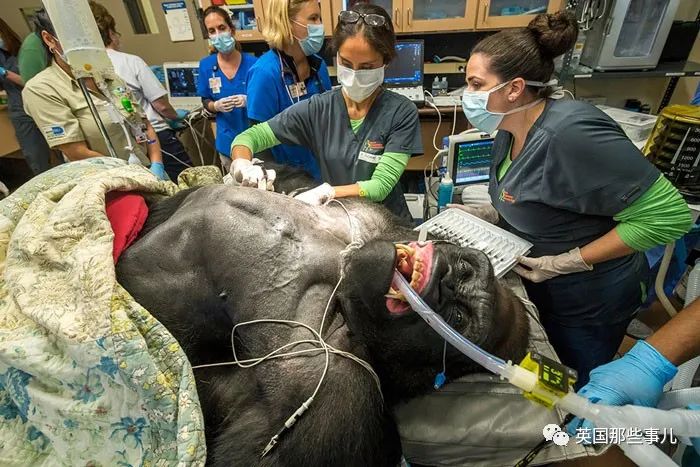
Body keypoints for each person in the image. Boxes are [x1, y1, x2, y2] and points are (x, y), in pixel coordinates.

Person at [448, 11, 692, 389]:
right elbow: (535, 196)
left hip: (589, 301)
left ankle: (574, 435)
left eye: (476, 84)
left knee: (576, 379)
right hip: (543, 286)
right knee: (546, 376)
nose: (467, 96)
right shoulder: (507, 129)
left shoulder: (571, 134)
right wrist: (490, 213)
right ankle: (550, 415)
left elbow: (669, 217)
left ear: (513, 88)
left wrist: (568, 261)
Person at [230, 4, 422, 223]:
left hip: (388, 222)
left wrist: (327, 193)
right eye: (347, 64)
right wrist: (243, 164)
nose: (355, 74)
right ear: (336, 58)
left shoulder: (401, 112)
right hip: (340, 220)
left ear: (385, 62)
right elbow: (248, 137)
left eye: (367, 67)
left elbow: (379, 187)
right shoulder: (318, 109)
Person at [21, 9, 166, 180]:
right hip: (107, 181)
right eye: (75, 36)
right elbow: (76, 151)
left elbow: (145, 125)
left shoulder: (108, 76)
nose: (85, 42)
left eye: (89, 34)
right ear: (49, 39)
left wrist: (157, 164)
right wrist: (134, 175)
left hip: (149, 170)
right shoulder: (42, 89)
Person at [91, 2, 193, 181]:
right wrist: (176, 117)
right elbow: (161, 106)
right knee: (188, 181)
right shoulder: (130, 62)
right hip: (153, 136)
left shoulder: (83, 68)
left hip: (122, 144)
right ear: (110, 32)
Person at [244, 0, 332, 180]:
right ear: (287, 23)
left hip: (322, 169)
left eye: (320, 18)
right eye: (313, 19)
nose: (319, 26)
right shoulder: (265, 73)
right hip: (287, 177)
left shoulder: (318, 65)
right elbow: (259, 148)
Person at [196, 6, 257, 173]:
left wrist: (249, 100)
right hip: (227, 142)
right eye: (212, 30)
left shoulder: (254, 64)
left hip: (256, 142)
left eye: (221, 28)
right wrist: (215, 106)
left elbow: (267, 101)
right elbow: (205, 100)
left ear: (232, 29)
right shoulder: (206, 66)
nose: (218, 34)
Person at [0, 17, 52, 175]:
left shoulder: (24, 48)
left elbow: (29, 81)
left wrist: (4, 73)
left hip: (39, 103)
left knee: (60, 149)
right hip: (20, 109)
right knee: (37, 158)